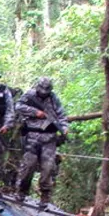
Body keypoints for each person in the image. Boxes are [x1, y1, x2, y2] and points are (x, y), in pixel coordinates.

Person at [14, 77, 69, 205]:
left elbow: (62, 115)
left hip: (49, 138)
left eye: (46, 90)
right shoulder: (30, 95)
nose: (44, 92)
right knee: (28, 166)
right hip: (32, 136)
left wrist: (64, 128)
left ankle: (45, 196)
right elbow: (18, 106)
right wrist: (35, 112)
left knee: (48, 168)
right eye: (42, 90)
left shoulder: (53, 98)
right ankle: (21, 191)